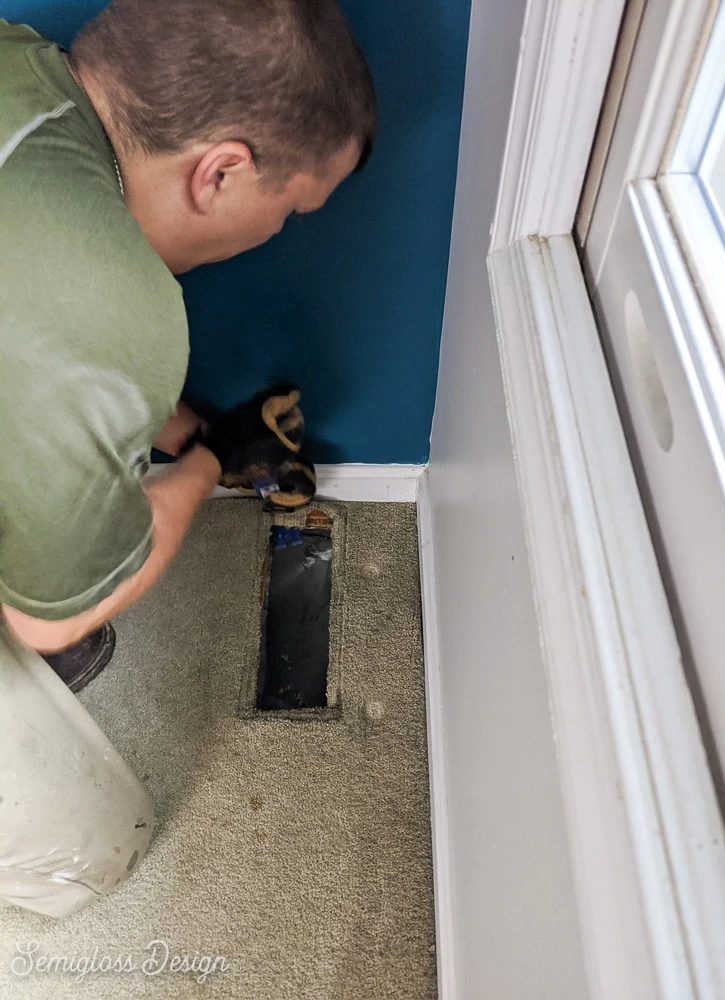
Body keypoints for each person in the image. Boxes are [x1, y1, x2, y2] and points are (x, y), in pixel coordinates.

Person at [0, 0, 376, 917]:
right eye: (290, 210)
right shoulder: (115, 304)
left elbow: (37, 340)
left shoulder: (17, 61)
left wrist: (179, 426)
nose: (281, 232)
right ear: (222, 172)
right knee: (92, 847)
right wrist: (208, 462)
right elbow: (57, 621)